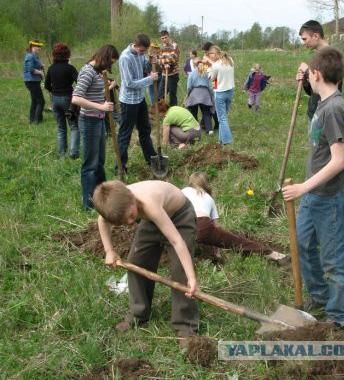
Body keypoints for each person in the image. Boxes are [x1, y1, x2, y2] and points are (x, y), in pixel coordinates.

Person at [282, 46, 344, 328]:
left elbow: (339, 161)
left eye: (309, 74)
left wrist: (303, 188)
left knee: (335, 260)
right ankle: (322, 297)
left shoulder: (335, 109)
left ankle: (337, 319)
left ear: (317, 74)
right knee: (301, 245)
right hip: (316, 193)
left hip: (332, 195)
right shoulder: (324, 102)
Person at [93, 179, 199, 344]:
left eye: (131, 217)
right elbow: (102, 220)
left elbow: (177, 241)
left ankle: (185, 325)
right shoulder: (117, 204)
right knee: (136, 264)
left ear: (132, 198)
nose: (129, 223)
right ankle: (138, 313)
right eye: (123, 222)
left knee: (181, 272)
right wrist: (109, 251)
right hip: (150, 221)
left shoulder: (148, 203)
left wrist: (191, 277)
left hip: (179, 218)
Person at [183, 172, 290, 266]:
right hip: (203, 227)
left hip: (183, 226)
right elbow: (216, 227)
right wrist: (217, 252)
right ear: (206, 184)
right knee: (238, 242)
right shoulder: (209, 198)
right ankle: (275, 255)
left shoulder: (183, 191)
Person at [72, 44, 119, 209]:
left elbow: (96, 92)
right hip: (89, 121)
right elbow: (76, 98)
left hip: (98, 121)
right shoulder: (87, 71)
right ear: (104, 58)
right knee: (90, 165)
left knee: (99, 162)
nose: (110, 66)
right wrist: (101, 107)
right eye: (110, 62)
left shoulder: (98, 72)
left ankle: (103, 198)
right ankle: (90, 203)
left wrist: (109, 87)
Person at [117, 34, 158, 172]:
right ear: (135, 45)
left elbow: (145, 69)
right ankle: (120, 165)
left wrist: (150, 62)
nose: (143, 54)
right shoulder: (125, 58)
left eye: (145, 52)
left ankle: (152, 158)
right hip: (129, 101)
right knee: (125, 133)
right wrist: (150, 79)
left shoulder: (141, 54)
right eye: (141, 51)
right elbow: (129, 83)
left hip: (140, 99)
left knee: (145, 129)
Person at [296, 20, 342, 122]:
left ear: (316, 36)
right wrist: (305, 80)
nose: (304, 43)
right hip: (314, 113)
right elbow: (314, 91)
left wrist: (307, 71)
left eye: (305, 39)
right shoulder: (317, 56)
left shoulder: (332, 56)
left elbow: (328, 85)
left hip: (326, 114)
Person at [44, 43, 80, 158]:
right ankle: (74, 153)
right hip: (68, 99)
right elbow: (80, 82)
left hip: (55, 100)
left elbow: (46, 85)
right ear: (67, 54)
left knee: (61, 128)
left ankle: (61, 154)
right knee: (74, 127)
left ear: (54, 55)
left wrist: (53, 90)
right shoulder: (70, 68)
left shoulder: (51, 68)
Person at [208, 45, 234, 145]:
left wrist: (209, 70)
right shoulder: (230, 60)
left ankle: (227, 141)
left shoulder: (216, 65)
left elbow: (211, 78)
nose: (210, 56)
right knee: (223, 117)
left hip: (220, 93)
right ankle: (221, 140)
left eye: (211, 54)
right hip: (230, 91)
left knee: (222, 118)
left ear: (216, 53)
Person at [185, 60, 215, 135]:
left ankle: (195, 129)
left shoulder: (191, 74)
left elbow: (189, 87)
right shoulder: (207, 73)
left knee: (193, 112)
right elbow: (210, 86)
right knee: (206, 112)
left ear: (195, 65)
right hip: (205, 94)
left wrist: (189, 95)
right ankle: (210, 129)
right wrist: (212, 95)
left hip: (194, 94)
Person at [23, 40, 45, 124]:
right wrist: (40, 72)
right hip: (31, 81)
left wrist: (41, 65)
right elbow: (30, 69)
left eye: (40, 47)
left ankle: (32, 120)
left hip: (34, 81)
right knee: (41, 101)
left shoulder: (34, 56)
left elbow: (35, 65)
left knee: (34, 100)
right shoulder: (30, 56)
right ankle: (37, 120)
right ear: (32, 46)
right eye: (37, 46)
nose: (39, 48)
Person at [158, 30, 180, 106]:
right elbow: (159, 60)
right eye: (162, 38)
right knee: (160, 95)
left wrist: (164, 61)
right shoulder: (162, 47)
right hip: (164, 74)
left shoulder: (174, 46)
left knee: (172, 95)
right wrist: (164, 64)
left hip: (173, 74)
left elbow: (173, 59)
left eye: (165, 37)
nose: (164, 40)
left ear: (169, 37)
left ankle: (173, 112)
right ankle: (162, 111)